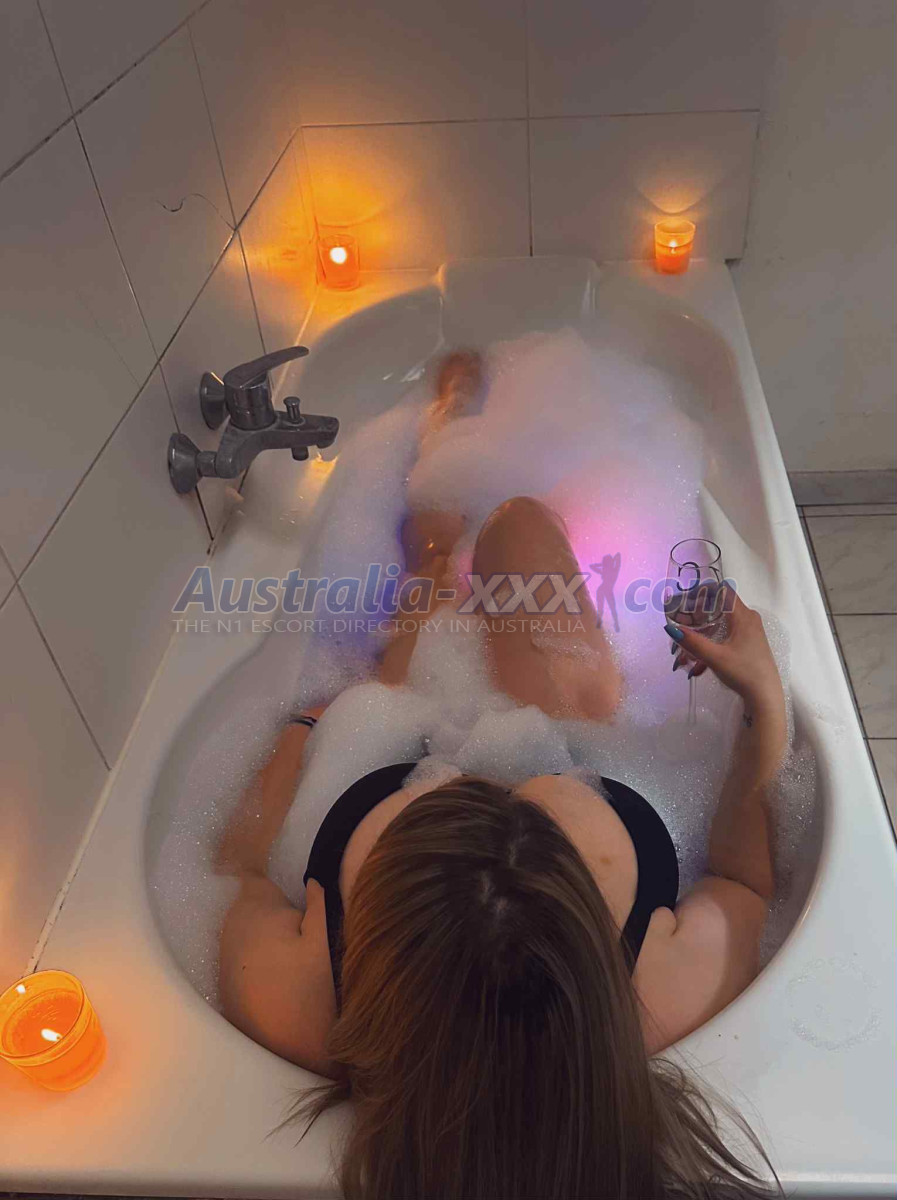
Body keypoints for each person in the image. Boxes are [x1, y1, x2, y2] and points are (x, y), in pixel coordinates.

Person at [215, 353, 786, 1200]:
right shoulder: (658, 993)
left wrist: (314, 724)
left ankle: (446, 457)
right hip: (565, 736)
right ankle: (466, 465)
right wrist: (761, 698)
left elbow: (234, 867)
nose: (490, 785)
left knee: (433, 567)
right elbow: (742, 880)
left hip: (396, 727)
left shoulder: (298, 999)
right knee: (518, 524)